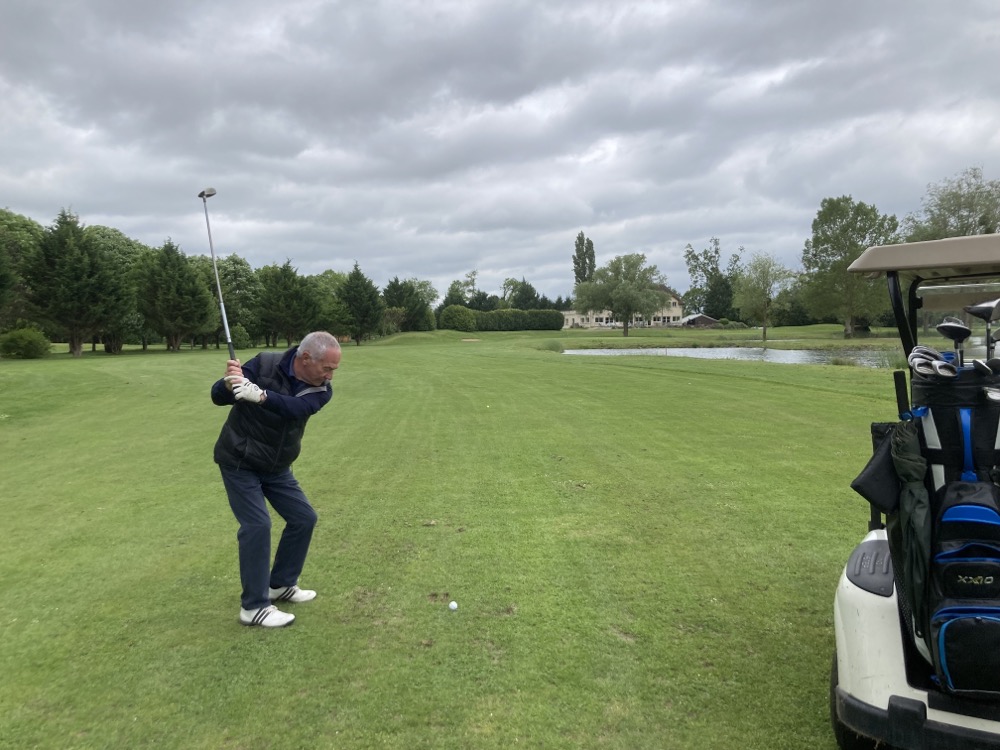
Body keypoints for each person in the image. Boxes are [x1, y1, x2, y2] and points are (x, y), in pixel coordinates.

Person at [210, 331, 342, 628]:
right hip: (240, 459)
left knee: (303, 518)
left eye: (334, 369)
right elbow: (218, 397)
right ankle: (254, 607)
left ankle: (280, 584)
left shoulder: (321, 390)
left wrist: (261, 396)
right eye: (327, 368)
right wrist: (228, 383)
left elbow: (294, 409)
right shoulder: (264, 364)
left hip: (277, 466)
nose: (330, 375)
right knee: (257, 525)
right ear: (306, 358)